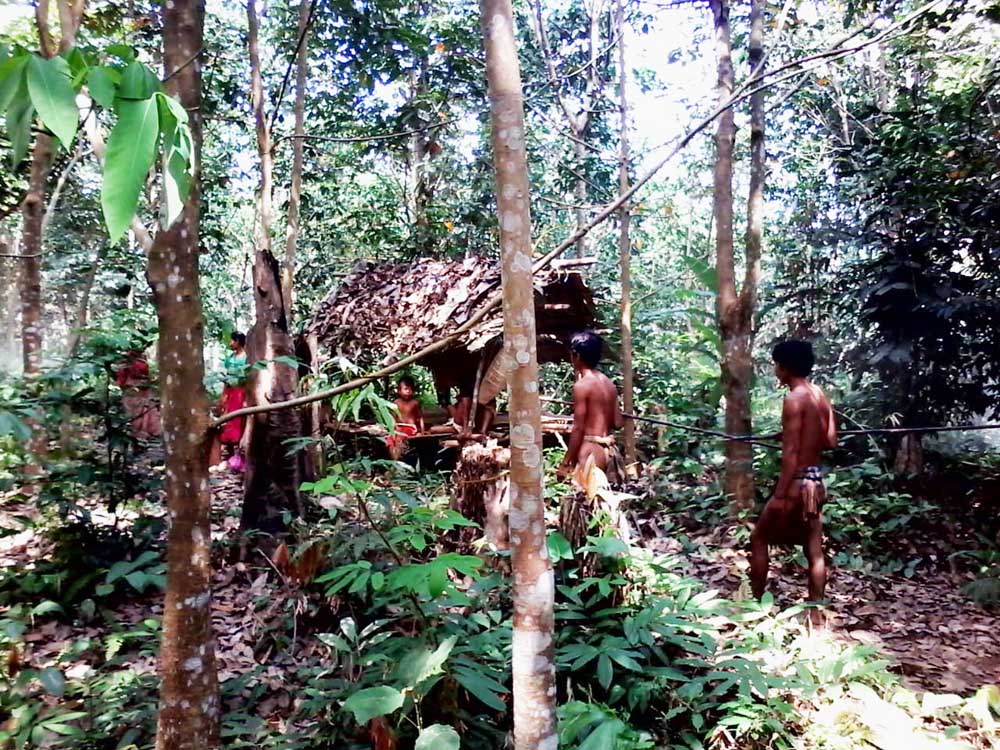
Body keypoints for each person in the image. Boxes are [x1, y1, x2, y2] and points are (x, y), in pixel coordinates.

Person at [750, 340, 837, 620]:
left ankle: (756, 607)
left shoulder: (793, 398)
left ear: (785, 367)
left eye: (776, 365)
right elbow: (830, 441)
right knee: (814, 549)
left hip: (797, 484)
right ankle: (816, 614)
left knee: (759, 537)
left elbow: (790, 456)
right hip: (816, 483)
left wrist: (779, 495)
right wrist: (789, 435)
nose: (775, 370)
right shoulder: (819, 394)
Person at [556, 331, 625, 486]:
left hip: (590, 451)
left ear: (577, 356)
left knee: (583, 505)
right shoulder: (609, 383)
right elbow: (617, 422)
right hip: (609, 451)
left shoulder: (582, 385)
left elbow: (579, 428)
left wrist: (566, 462)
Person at [215, 332, 248, 471]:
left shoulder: (247, 358)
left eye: (232, 341)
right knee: (228, 422)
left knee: (239, 422)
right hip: (231, 392)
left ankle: (240, 456)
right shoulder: (230, 359)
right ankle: (229, 456)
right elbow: (227, 379)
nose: (230, 344)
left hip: (241, 392)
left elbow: (249, 379)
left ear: (238, 342)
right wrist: (223, 396)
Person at [116, 349, 161, 441]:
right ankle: (142, 433)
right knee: (142, 411)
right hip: (135, 390)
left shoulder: (133, 364)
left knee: (140, 411)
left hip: (135, 390)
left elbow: (121, 380)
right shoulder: (137, 363)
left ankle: (140, 433)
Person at [387, 376, 425, 459]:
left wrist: (422, 432)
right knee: (391, 439)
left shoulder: (414, 403)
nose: (408, 391)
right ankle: (394, 461)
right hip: (398, 428)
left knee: (400, 439)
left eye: (410, 389)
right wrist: (394, 428)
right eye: (405, 389)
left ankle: (397, 461)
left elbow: (420, 418)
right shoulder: (396, 402)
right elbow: (393, 418)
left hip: (411, 429)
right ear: (399, 391)